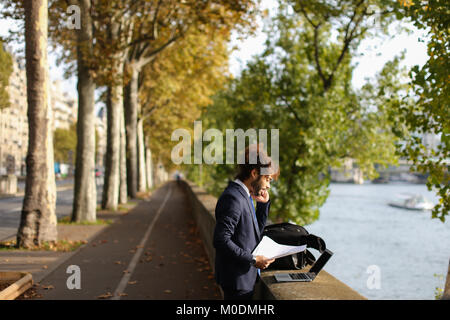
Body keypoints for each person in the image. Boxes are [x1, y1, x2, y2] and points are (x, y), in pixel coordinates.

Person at [213, 144, 279, 300]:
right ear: (255, 173)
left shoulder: (244, 196)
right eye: (267, 179)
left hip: (242, 279)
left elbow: (254, 233)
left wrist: (263, 206)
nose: (268, 185)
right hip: (236, 281)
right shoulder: (234, 198)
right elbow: (220, 240)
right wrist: (254, 259)